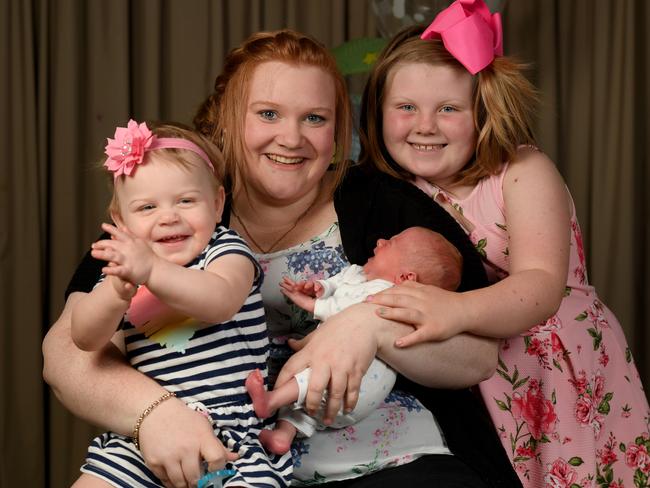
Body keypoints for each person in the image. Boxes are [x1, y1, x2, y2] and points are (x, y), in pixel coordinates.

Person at [43, 29, 523, 488]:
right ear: (228, 118)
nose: (292, 138)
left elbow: (476, 357)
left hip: (387, 461)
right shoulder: (170, 211)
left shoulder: (383, 205)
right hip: (216, 456)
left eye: (314, 118)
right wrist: (157, 414)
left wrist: (370, 325)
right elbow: (66, 356)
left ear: (337, 129)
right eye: (268, 114)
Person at [358, 1, 650, 486]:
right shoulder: (394, 193)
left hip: (558, 364)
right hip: (482, 375)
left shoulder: (520, 173)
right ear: (378, 112)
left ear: (484, 112)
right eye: (406, 107)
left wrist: (454, 311)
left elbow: (540, 283)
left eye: (449, 109)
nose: (425, 125)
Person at [68, 120, 292, 487]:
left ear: (218, 204)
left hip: (231, 438)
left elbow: (218, 302)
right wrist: (114, 294)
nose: (168, 216)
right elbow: (84, 339)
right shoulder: (125, 273)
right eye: (147, 208)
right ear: (120, 221)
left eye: (186, 201)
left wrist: (151, 269)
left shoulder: (225, 251)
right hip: (150, 440)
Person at [246, 227, 462, 455]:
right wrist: (321, 288)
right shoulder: (359, 274)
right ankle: (282, 436)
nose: (380, 240)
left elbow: (348, 314)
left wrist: (312, 305)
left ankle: (270, 401)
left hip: (358, 384)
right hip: (333, 388)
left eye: (391, 243)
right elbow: (338, 283)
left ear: (405, 278)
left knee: (314, 378)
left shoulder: (389, 295)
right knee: (305, 403)